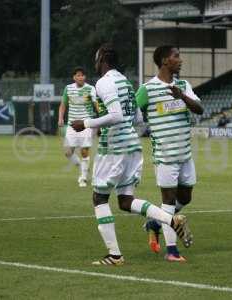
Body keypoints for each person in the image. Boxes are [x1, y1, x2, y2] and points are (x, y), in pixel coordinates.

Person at [71, 44, 192, 266]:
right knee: (126, 201)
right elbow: (137, 118)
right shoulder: (125, 82)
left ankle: (115, 255)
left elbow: (116, 115)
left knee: (99, 198)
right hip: (132, 146)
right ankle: (170, 219)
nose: (95, 65)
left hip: (114, 148)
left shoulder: (105, 82)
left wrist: (85, 123)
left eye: (97, 60)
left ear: (103, 60)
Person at [135, 45, 203, 262]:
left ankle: (155, 222)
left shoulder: (183, 85)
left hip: (185, 153)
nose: (180, 60)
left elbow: (200, 109)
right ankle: (172, 251)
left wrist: (181, 95)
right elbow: (134, 112)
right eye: (176, 56)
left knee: (185, 197)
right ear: (165, 61)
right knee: (168, 200)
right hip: (164, 156)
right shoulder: (147, 89)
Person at [58, 67, 97, 187]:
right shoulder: (68, 89)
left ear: (85, 77)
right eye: (78, 75)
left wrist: (101, 119)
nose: (81, 77)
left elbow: (96, 105)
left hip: (86, 124)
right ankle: (82, 167)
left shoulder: (90, 89)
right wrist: (60, 118)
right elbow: (63, 104)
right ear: (74, 77)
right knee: (68, 152)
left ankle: (83, 178)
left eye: (82, 75)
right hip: (72, 125)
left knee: (84, 151)